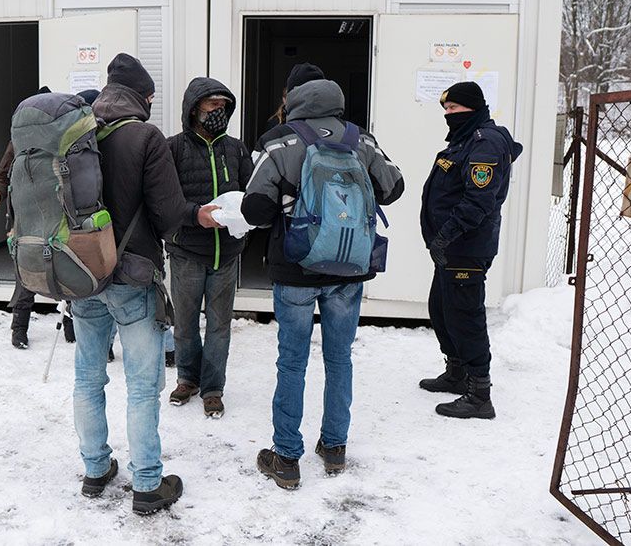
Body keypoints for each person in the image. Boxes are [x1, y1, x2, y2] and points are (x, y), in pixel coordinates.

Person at [241, 73, 404, 489]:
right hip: (349, 268)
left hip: (296, 267)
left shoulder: (278, 139)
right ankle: (334, 448)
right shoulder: (360, 139)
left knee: (292, 361)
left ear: (292, 96)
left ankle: (286, 457)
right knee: (339, 358)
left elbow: (255, 209)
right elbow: (394, 188)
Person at [72, 53, 219, 514]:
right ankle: (147, 485)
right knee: (140, 386)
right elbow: (170, 211)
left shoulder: (77, 132)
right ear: (143, 96)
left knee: (87, 378)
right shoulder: (145, 137)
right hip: (132, 277)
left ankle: (95, 470)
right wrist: (201, 214)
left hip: (82, 274)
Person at [418, 81, 522, 420]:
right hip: (451, 248)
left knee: (465, 316)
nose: (449, 115)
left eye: (454, 109)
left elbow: (478, 201)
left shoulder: (485, 143)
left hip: (466, 246)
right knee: (442, 309)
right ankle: (457, 371)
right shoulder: (465, 139)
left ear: (473, 108)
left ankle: (479, 394)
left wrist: (445, 236)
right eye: (446, 110)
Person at [165, 77, 253, 418]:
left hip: (227, 254)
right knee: (185, 324)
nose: (220, 111)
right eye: (213, 105)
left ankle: (213, 387)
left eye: (224, 106)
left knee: (219, 325)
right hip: (187, 252)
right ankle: (188, 378)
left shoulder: (236, 148)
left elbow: (251, 193)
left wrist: (246, 223)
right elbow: (166, 201)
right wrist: (194, 217)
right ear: (194, 109)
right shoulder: (172, 149)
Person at [0, 87, 103, 349]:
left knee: (67, 263)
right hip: (27, 214)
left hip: (57, 211)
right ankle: (19, 327)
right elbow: (6, 168)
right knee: (29, 269)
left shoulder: (66, 136)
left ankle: (71, 328)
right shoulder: (24, 139)